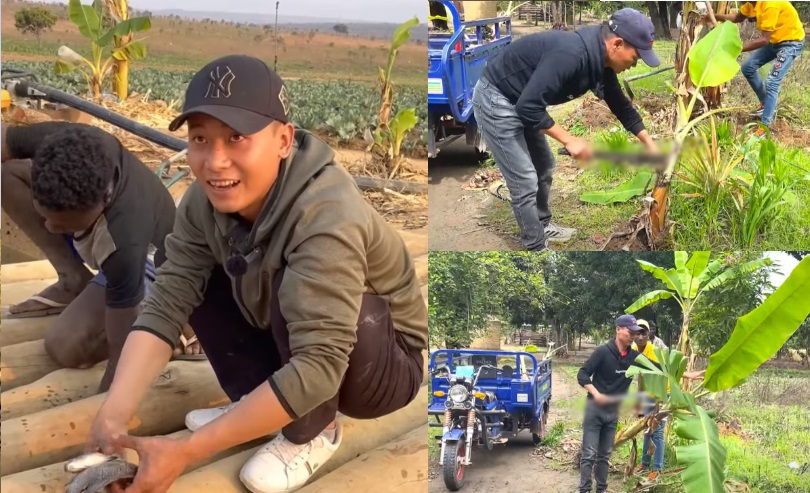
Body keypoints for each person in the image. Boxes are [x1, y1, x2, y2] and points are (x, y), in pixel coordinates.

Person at [85, 54, 428, 493]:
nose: (215, 161)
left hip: (379, 363)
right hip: (290, 333)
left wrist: (188, 452)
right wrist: (114, 412)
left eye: (237, 138)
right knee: (183, 270)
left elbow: (322, 364)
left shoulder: (326, 214)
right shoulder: (201, 203)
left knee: (293, 284)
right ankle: (259, 405)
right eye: (200, 139)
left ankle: (315, 431)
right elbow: (167, 304)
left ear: (284, 140)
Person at [0, 122, 205, 392]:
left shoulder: (124, 241)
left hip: (155, 262)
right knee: (7, 176)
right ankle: (72, 279)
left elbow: (121, 353)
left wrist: (105, 408)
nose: (47, 228)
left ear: (103, 201)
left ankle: (170, 330)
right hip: (109, 240)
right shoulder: (66, 142)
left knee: (67, 346)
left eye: (61, 223)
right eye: (45, 214)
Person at [471, 8, 661, 251]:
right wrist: (569, 140)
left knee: (544, 165)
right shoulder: (572, 54)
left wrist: (650, 144)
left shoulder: (600, 60)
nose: (634, 65)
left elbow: (621, 106)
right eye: (635, 57)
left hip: (523, 99)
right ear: (617, 44)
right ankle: (536, 246)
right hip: (497, 99)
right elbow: (528, 107)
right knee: (525, 179)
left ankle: (542, 223)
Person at [576, 315, 703, 493]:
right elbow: (582, 375)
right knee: (589, 454)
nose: (634, 336)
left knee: (604, 455)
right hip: (594, 411)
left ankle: (601, 489)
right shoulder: (602, 352)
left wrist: (687, 375)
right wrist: (596, 394)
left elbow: (658, 367)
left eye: (635, 333)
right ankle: (584, 489)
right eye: (630, 332)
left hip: (612, 412)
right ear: (618, 329)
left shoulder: (633, 356)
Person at [707, 2, 805, 136]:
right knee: (747, 67)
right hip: (774, 41)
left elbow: (764, 40)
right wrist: (714, 16)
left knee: (772, 82)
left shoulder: (770, 5)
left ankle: (765, 127)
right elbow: (737, 18)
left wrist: (737, 49)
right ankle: (766, 104)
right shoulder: (751, 4)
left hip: (789, 43)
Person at [631, 323, 666, 479]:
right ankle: (645, 464)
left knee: (657, 432)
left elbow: (660, 378)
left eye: (643, 333)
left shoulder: (654, 351)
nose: (639, 336)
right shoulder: (633, 349)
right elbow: (640, 377)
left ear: (648, 335)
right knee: (647, 430)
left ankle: (657, 469)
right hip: (647, 392)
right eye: (636, 333)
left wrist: (657, 405)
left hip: (662, 392)